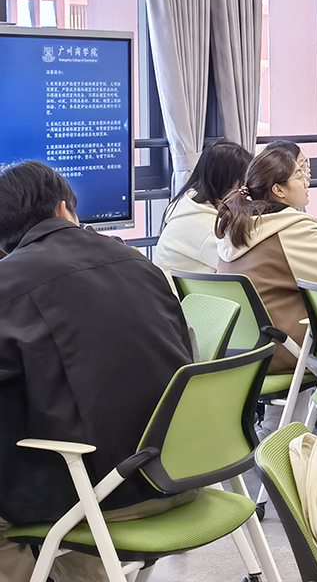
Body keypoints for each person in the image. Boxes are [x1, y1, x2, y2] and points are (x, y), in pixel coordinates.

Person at [0, 162, 193, 582]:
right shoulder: (138, 261)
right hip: (186, 470)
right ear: (63, 208)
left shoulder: (8, 284)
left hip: (104, 498)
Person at [216, 146, 317, 374]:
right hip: (286, 350)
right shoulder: (292, 228)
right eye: (299, 175)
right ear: (278, 190)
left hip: (243, 352)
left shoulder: (235, 226)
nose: (306, 181)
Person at [153, 139, 253, 278]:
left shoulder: (189, 204)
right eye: (242, 182)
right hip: (175, 292)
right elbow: (243, 267)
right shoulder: (202, 224)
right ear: (225, 181)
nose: (246, 190)